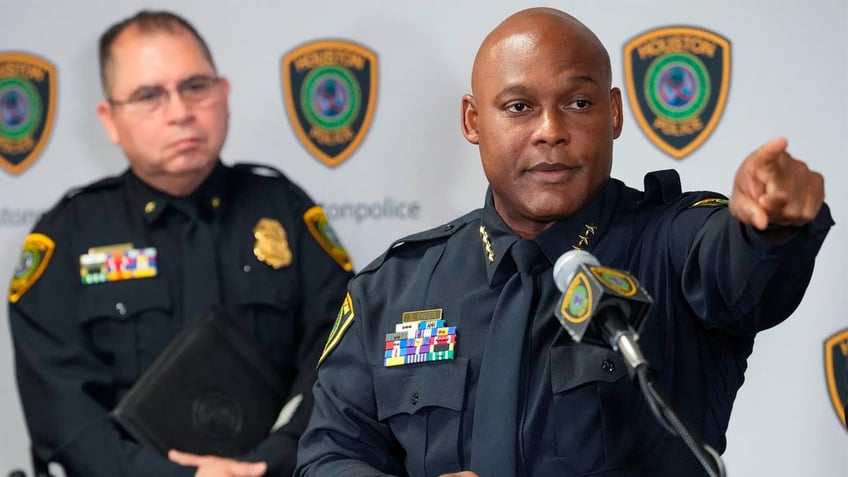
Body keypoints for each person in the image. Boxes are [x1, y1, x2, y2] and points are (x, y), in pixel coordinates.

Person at [294, 7, 833, 477]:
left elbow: (736, 266)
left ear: (615, 113)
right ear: (472, 120)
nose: (550, 130)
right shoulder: (392, 289)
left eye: (577, 103)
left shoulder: (672, 242)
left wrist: (772, 225)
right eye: (519, 107)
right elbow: (330, 454)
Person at [7, 10, 353, 477]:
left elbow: (338, 357)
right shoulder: (68, 235)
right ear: (110, 120)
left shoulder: (286, 212)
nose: (180, 112)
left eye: (196, 87)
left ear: (224, 94)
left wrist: (274, 460)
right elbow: (63, 417)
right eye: (149, 95)